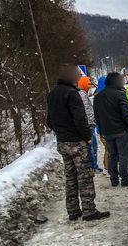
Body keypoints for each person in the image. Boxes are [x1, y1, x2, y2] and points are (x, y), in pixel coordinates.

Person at [46, 64, 110, 221]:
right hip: (76, 142)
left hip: (62, 142)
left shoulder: (52, 94)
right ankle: (89, 211)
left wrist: (61, 132)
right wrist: (87, 136)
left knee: (70, 177)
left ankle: (73, 211)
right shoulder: (73, 94)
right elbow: (80, 119)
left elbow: (49, 120)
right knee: (85, 176)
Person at [94, 72, 128, 187]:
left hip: (107, 132)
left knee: (112, 155)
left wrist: (102, 130)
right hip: (122, 131)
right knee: (124, 155)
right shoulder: (120, 94)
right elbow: (126, 114)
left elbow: (97, 116)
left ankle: (114, 179)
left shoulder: (98, 97)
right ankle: (125, 178)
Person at [77, 76, 101, 173]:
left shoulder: (81, 93)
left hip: (88, 124)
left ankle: (92, 166)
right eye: (88, 83)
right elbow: (86, 111)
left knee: (90, 147)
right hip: (88, 125)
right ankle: (93, 167)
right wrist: (92, 121)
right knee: (92, 146)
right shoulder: (82, 95)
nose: (89, 86)